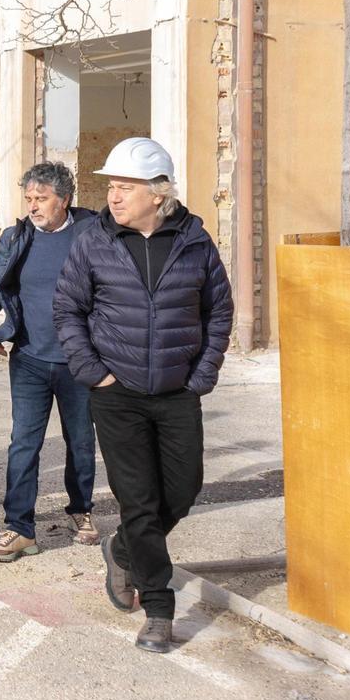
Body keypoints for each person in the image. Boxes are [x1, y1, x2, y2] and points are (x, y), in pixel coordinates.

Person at [53, 137, 233, 654]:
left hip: (178, 391)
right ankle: (158, 609)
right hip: (117, 393)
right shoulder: (94, 240)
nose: (113, 195)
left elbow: (218, 311)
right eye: (111, 185)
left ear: (159, 193)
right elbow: (67, 309)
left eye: (125, 186)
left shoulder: (195, 243)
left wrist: (201, 376)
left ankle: (123, 549)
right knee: (140, 501)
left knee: (183, 490)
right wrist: (94, 372)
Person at [0, 162, 98, 562]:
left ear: (64, 199)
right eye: (28, 198)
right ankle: (18, 527)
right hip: (28, 357)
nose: (33, 206)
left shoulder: (92, 232)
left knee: (80, 441)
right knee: (24, 442)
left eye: (41, 199)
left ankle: (81, 510)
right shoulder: (18, 236)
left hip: (79, 361)